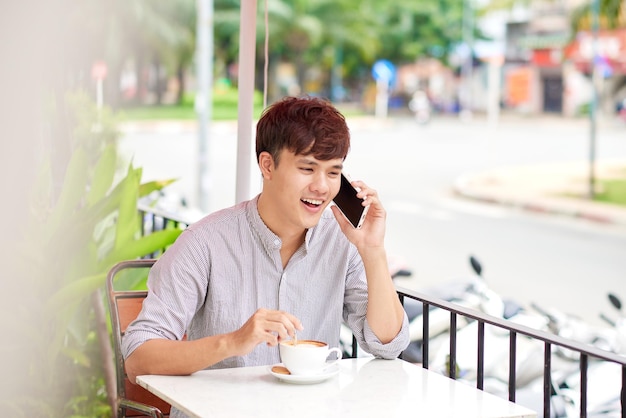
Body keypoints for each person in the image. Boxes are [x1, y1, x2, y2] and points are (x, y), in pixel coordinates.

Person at [122, 96, 410, 416]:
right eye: (307, 168)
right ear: (267, 165)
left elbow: (388, 345)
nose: (321, 186)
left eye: (333, 172)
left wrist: (372, 250)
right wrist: (233, 342)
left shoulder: (341, 241)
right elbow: (138, 357)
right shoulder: (204, 243)